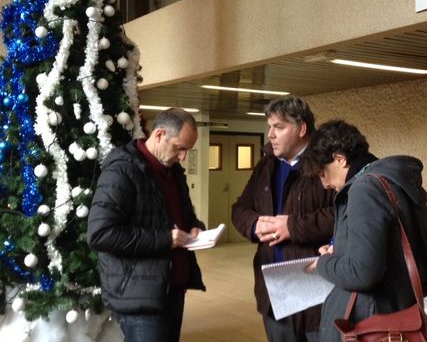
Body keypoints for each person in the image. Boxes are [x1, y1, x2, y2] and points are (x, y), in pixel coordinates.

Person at [301, 120, 427, 342]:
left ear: (340, 159)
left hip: (378, 321)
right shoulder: (394, 181)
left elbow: (363, 272)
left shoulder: (365, 190)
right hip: (406, 308)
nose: (325, 184)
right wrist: (342, 249)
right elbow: (392, 249)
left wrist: (323, 263)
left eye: (323, 173)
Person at [87, 108, 206, 342]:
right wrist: (166, 239)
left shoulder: (173, 171)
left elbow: (183, 216)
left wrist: (195, 227)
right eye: (179, 148)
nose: (183, 157)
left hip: (171, 289)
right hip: (139, 296)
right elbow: (101, 234)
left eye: (187, 150)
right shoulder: (122, 169)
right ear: (160, 134)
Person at [231, 96, 334, 342]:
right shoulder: (266, 165)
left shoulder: (327, 163)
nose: (271, 134)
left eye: (279, 127)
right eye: (269, 127)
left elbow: (342, 215)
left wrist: (292, 227)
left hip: (317, 290)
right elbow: (240, 208)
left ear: (301, 129)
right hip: (275, 291)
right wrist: (254, 224)